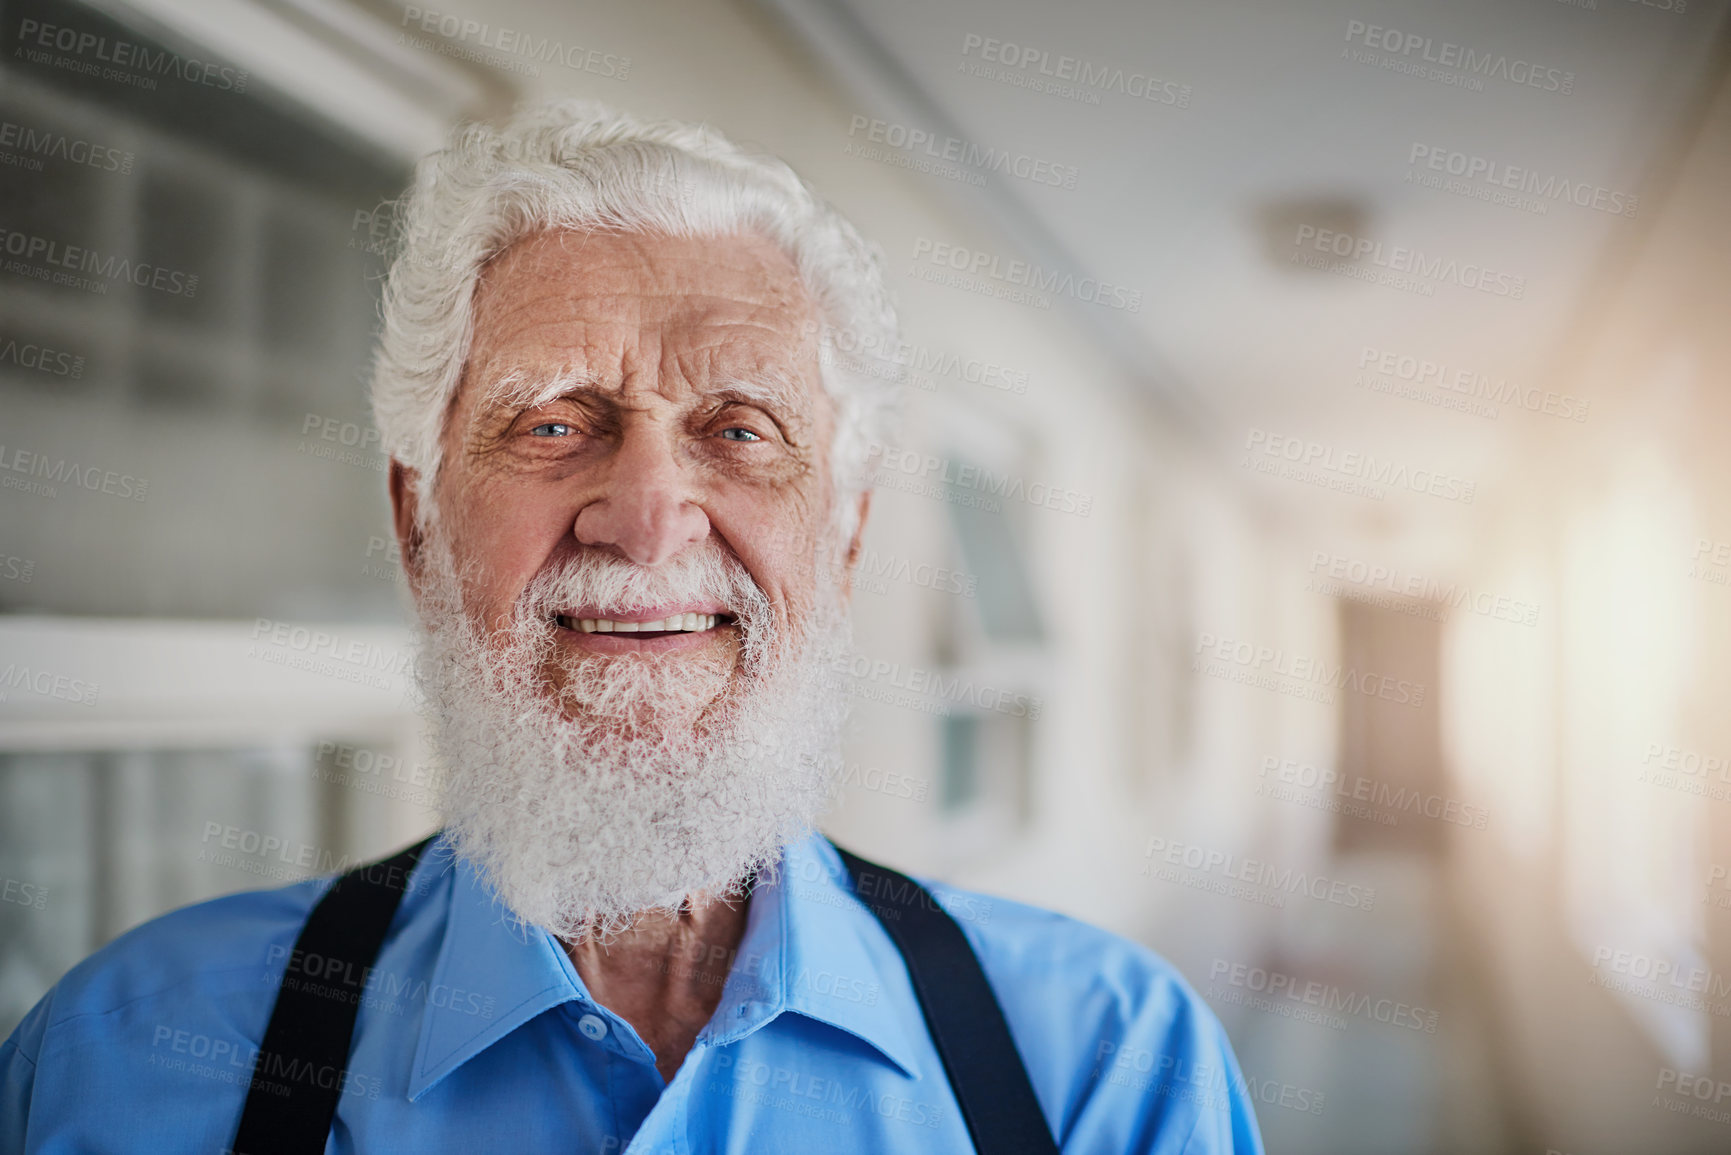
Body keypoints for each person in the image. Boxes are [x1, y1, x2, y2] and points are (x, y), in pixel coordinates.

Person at [0, 100, 1263, 1154]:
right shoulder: (112, 1066)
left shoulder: (1105, 1065)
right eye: (553, 422)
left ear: (847, 536)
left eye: (740, 431)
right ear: (417, 519)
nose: (650, 519)